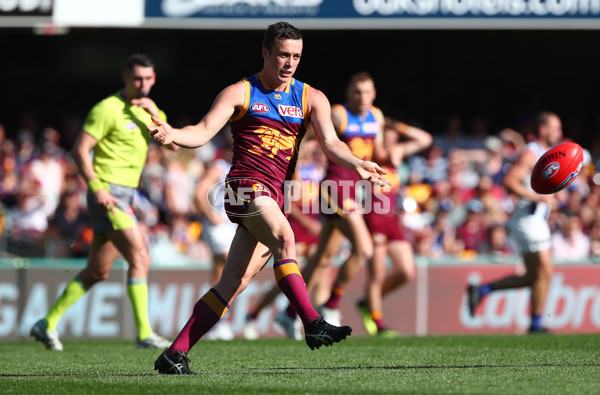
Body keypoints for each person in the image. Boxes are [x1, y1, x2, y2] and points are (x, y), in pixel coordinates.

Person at [149, 22, 389, 375]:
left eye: (296, 56)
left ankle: (175, 353)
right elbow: (201, 131)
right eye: (283, 54)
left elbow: (332, 143)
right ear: (265, 52)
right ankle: (312, 322)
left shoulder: (311, 97)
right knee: (284, 238)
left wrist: (357, 163)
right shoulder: (240, 92)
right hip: (244, 187)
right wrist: (172, 133)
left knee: (234, 283)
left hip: (275, 196)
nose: (290, 63)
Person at [30, 53, 172, 350]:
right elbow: (80, 151)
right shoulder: (107, 109)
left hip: (124, 193)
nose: (142, 84)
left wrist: (155, 112)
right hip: (108, 193)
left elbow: (171, 145)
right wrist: (96, 188)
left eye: (147, 79)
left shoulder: (150, 110)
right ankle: (144, 333)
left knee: (98, 270)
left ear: (154, 79)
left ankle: (47, 323)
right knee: (140, 257)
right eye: (137, 79)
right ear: (125, 78)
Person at [282, 71, 386, 328]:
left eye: (367, 92)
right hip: (334, 188)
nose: (361, 97)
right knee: (364, 249)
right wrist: (294, 167)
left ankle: (289, 313)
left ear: (374, 94)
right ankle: (331, 306)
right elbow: (304, 137)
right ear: (349, 93)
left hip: (354, 190)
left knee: (322, 259)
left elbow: (380, 152)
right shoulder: (338, 114)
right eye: (357, 91)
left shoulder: (377, 117)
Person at [467, 111, 563, 333]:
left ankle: (483, 290)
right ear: (543, 130)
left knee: (533, 276)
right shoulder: (532, 153)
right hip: (527, 220)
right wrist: (537, 197)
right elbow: (509, 182)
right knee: (545, 272)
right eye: (556, 128)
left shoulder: (542, 154)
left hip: (531, 219)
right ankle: (536, 324)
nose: (560, 133)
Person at [357, 119, 432, 337]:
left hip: (393, 220)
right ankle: (378, 323)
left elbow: (425, 139)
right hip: (374, 218)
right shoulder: (369, 158)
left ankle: (369, 302)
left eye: (393, 140)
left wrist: (399, 126)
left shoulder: (395, 157)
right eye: (384, 139)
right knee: (377, 273)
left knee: (406, 271)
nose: (390, 144)